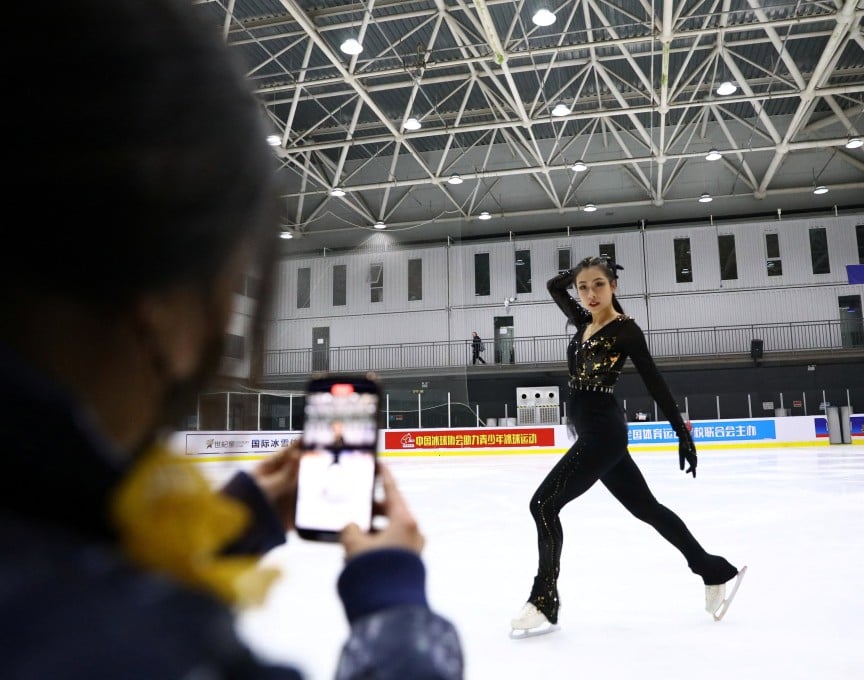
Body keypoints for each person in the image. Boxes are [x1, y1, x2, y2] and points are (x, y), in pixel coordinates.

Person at [0, 1, 462, 678]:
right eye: (230, 278)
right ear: (160, 309)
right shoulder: (136, 648)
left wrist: (220, 532)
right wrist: (392, 607)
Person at [510, 256, 746, 638]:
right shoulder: (583, 320)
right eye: (583, 287)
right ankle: (712, 569)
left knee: (543, 505)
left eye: (598, 285)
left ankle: (543, 599)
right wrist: (577, 273)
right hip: (597, 433)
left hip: (602, 434)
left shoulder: (626, 331)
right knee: (646, 508)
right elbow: (554, 288)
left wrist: (682, 433)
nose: (589, 293)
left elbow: (655, 384)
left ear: (613, 286)